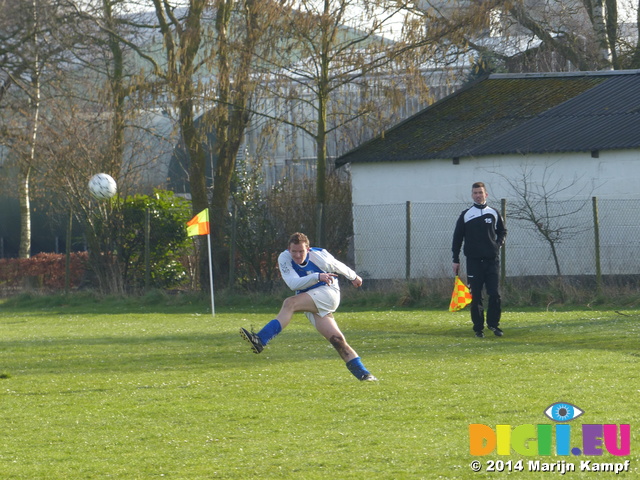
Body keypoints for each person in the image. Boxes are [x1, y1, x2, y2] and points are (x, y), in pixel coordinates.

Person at [240, 232, 377, 381]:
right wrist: (317, 276)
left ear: (308, 249)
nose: (298, 255)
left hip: (328, 293)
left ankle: (261, 339)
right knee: (337, 340)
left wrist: (354, 277)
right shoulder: (284, 258)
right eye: (294, 251)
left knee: (289, 303)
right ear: (288, 249)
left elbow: (337, 265)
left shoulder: (319, 256)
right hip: (310, 299)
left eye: (301, 251)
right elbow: (293, 284)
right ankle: (364, 374)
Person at [452, 182, 507, 338]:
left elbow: (502, 232)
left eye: (480, 192)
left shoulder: (494, 213)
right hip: (474, 262)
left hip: (492, 261)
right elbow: (457, 238)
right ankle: (478, 328)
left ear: (486, 194)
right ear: (472, 195)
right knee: (475, 296)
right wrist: (455, 259)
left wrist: (497, 246)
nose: (478, 195)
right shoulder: (466, 215)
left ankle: (493, 325)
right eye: (475, 193)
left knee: (495, 294)